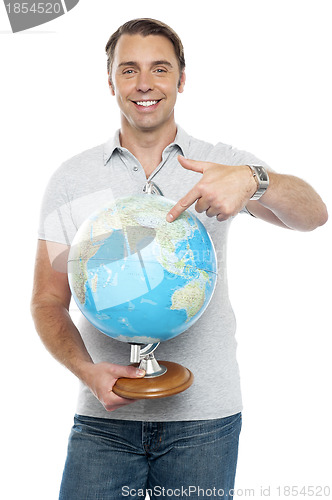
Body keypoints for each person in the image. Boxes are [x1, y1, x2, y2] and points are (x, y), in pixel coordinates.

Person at [31, 18, 328, 500]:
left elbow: (314, 215)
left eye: (160, 69)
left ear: (181, 80)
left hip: (204, 422)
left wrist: (254, 179)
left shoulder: (222, 163)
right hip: (103, 420)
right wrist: (86, 372)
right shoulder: (72, 179)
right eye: (128, 70)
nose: (144, 83)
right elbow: (47, 300)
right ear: (110, 81)